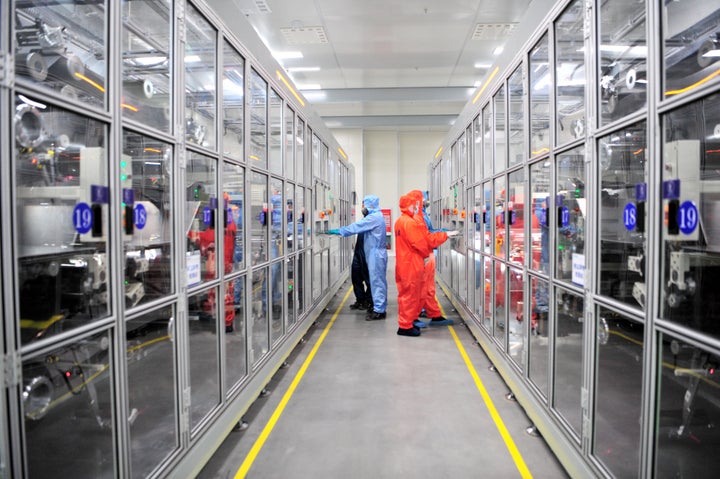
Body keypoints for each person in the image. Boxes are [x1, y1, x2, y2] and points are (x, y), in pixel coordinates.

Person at [394, 192, 456, 337]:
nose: (418, 207)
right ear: (410, 205)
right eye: (416, 204)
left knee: (410, 293)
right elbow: (422, 243)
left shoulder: (401, 220)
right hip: (412, 262)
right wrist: (443, 237)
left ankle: (407, 323)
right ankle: (404, 326)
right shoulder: (409, 222)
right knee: (410, 294)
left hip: (406, 261)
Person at [327, 194, 388, 320]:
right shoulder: (375, 216)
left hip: (375, 254)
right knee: (375, 280)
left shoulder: (374, 217)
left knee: (377, 282)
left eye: (364, 204)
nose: (362, 207)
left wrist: (340, 231)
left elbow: (356, 227)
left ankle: (379, 310)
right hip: (372, 253)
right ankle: (376, 307)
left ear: (370, 205)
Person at [413, 190, 454, 327]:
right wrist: (445, 233)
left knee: (428, 287)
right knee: (419, 287)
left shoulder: (422, 215)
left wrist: (443, 232)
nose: (427, 201)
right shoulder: (416, 218)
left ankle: (434, 315)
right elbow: (427, 237)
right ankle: (412, 318)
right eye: (425, 199)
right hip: (421, 255)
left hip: (427, 255)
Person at [349, 207, 372, 310]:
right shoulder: (363, 220)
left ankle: (368, 300)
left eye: (365, 206)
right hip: (358, 252)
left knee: (369, 279)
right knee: (356, 276)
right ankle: (360, 300)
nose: (363, 208)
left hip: (368, 253)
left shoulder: (373, 221)